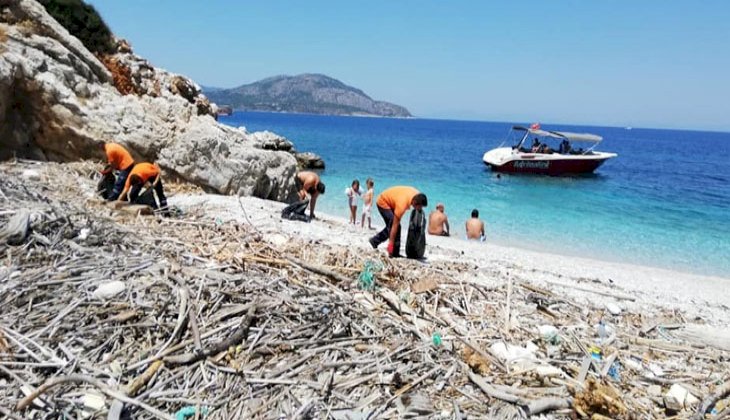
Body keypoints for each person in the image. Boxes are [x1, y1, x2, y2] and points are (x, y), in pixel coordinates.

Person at [369, 186, 428, 258]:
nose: (420, 209)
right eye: (420, 207)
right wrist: (390, 246)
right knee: (393, 226)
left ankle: (395, 252)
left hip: (393, 200)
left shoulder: (417, 195)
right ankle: (378, 243)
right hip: (383, 201)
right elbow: (394, 227)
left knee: (397, 227)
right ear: (415, 202)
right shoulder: (402, 205)